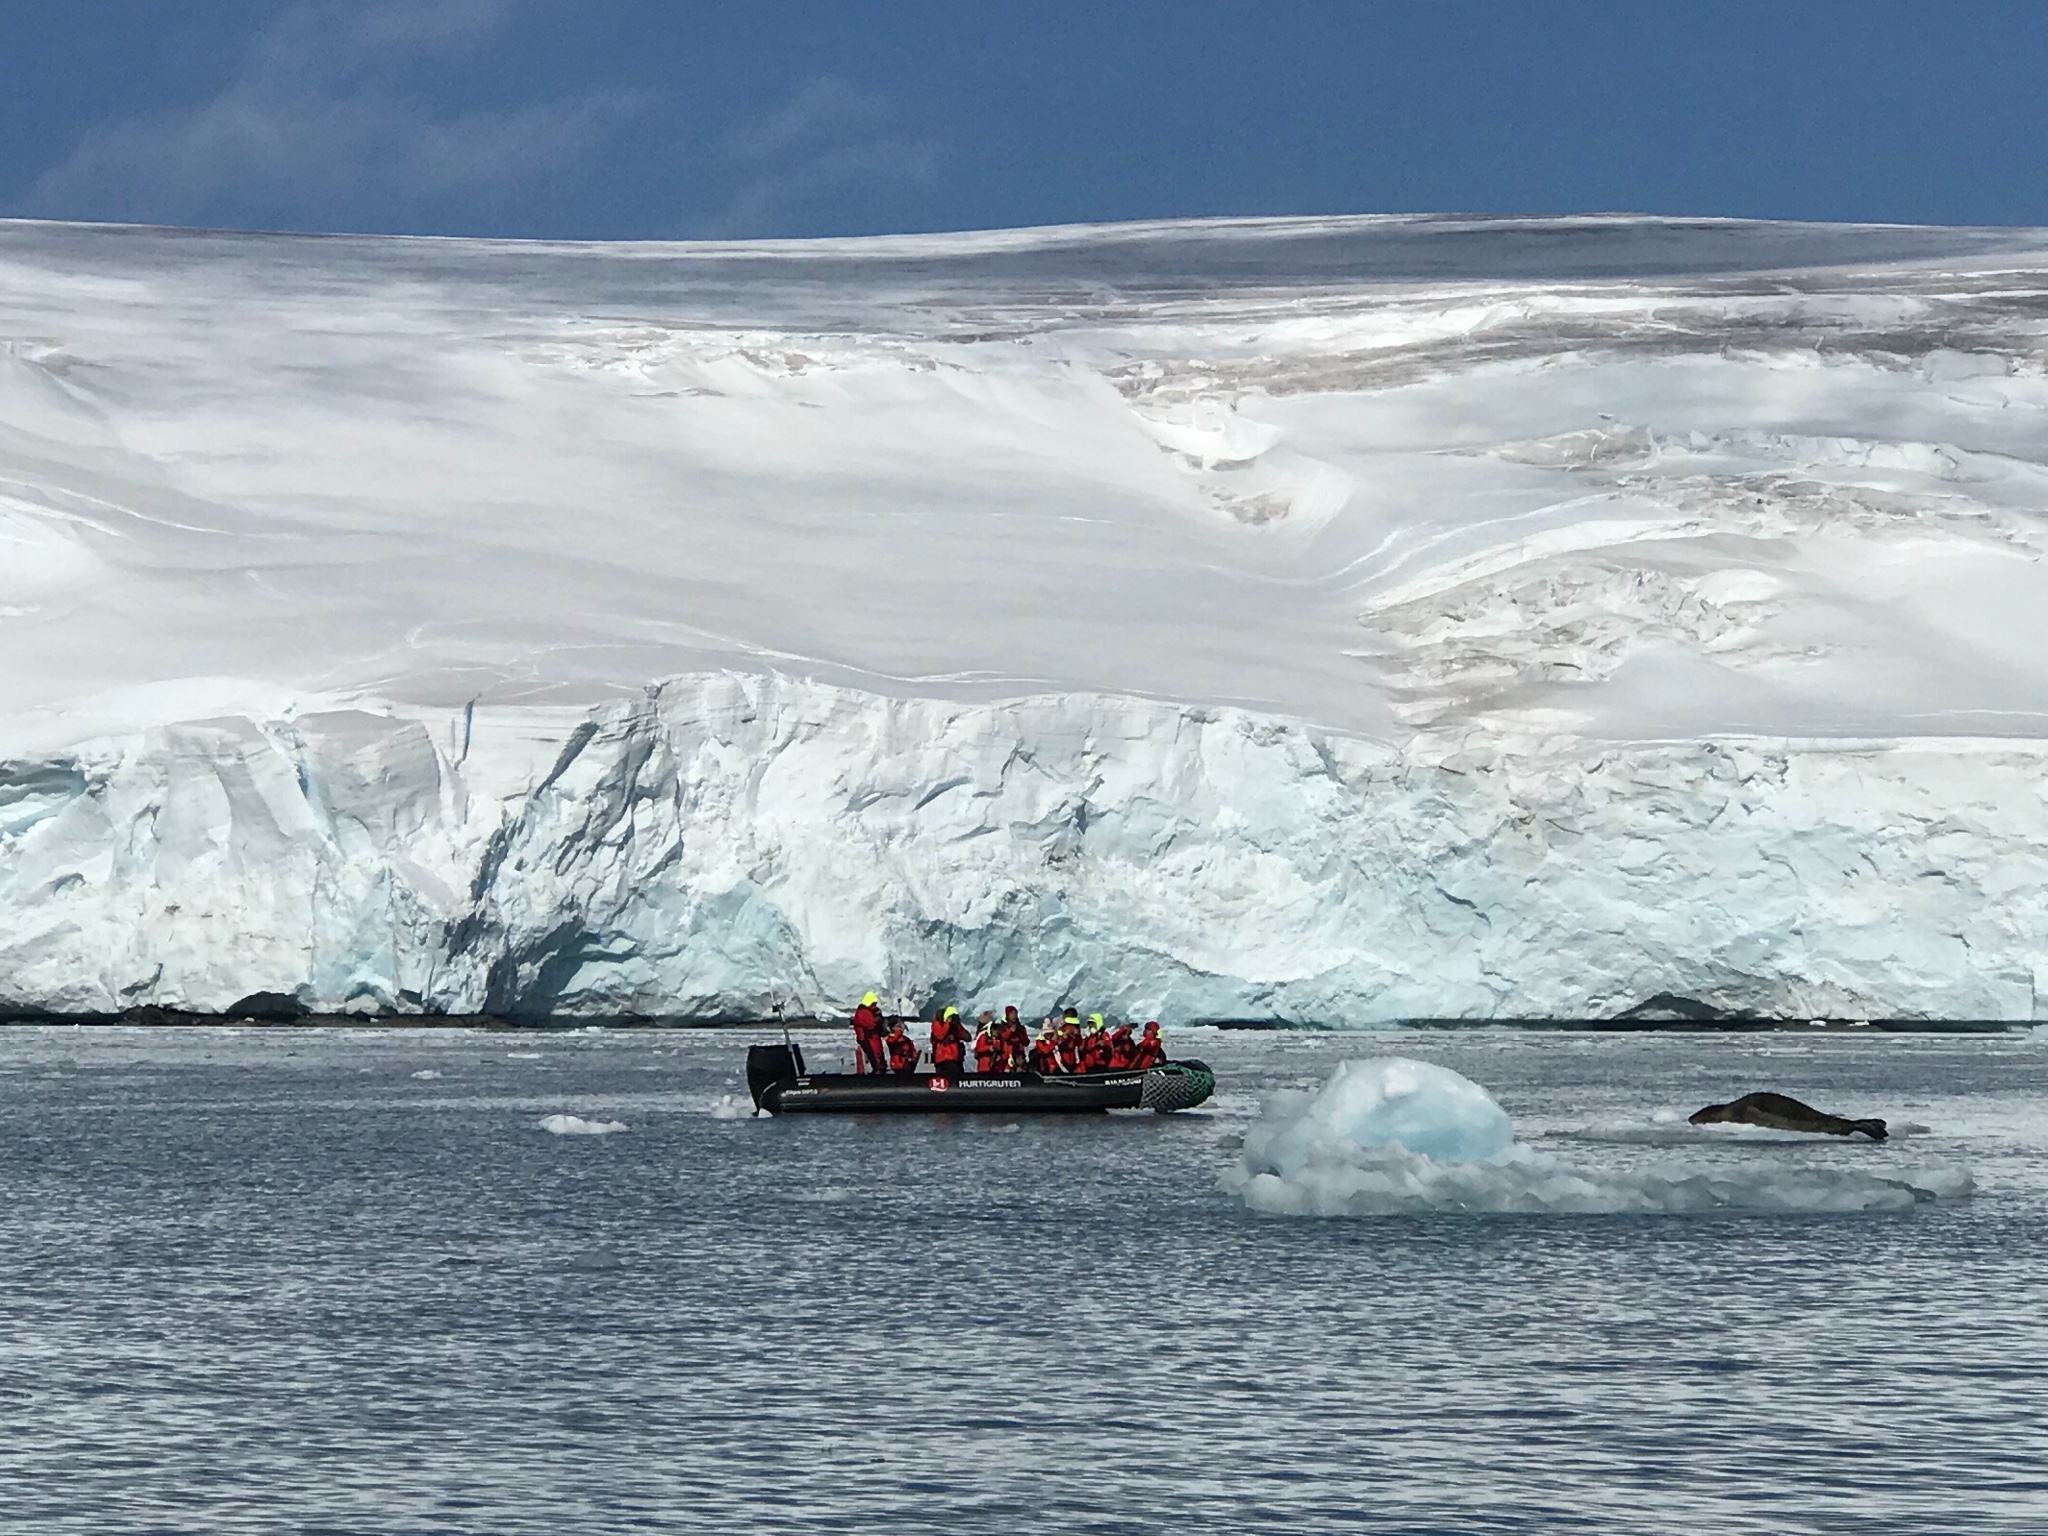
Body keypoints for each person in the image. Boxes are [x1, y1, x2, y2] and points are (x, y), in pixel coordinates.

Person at [851, 990, 887, 1075]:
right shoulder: (863, 1012)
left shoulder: (869, 1011)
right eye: (873, 1003)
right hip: (867, 1037)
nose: (875, 1005)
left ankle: (880, 1068)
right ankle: (878, 1069)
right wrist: (878, 1019)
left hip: (872, 1036)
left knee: (877, 1052)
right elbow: (870, 1025)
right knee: (874, 1053)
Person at [999, 1005, 1029, 1072]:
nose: (1014, 1016)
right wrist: (1010, 1031)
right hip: (1007, 1056)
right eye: (1012, 1013)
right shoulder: (1002, 1027)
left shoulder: (1021, 1028)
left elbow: (1026, 1042)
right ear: (1007, 1015)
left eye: (1015, 1013)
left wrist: (1020, 1034)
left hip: (1019, 1056)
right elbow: (1002, 1037)